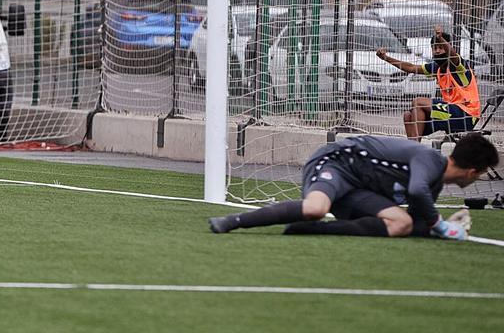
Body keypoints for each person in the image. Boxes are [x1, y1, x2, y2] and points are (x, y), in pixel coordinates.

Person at [209, 133, 498, 240]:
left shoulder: (431, 183)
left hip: (358, 189)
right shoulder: (430, 161)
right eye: (482, 173)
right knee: (315, 208)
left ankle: (310, 231)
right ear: (473, 171)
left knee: (400, 224)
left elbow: (417, 223)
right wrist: (439, 223)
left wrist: (445, 230)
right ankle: (232, 222)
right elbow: (416, 193)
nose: (479, 178)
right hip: (336, 163)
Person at [376, 26, 480, 141]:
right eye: (435, 48)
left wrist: (441, 38)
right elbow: (410, 67)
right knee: (408, 116)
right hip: (450, 114)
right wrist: (386, 58)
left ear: (448, 47)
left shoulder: (458, 67)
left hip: (466, 115)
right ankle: (412, 151)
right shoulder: (436, 68)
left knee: (418, 102)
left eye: (441, 47)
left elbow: (452, 54)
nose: (437, 51)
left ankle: (415, 147)